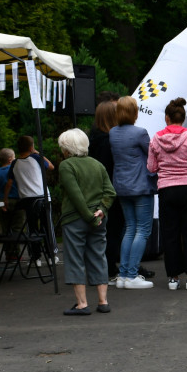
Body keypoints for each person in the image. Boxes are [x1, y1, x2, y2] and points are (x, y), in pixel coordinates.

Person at [57, 129, 116, 316]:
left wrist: (89, 216)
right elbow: (110, 192)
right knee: (98, 256)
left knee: (75, 258)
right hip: (99, 218)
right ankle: (103, 301)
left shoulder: (66, 165)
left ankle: (82, 304)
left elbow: (75, 196)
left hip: (75, 219)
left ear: (67, 148)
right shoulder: (97, 164)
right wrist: (101, 210)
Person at [147, 97, 187, 291]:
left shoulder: (156, 139)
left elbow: (151, 167)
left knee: (170, 233)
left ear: (167, 118)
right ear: (183, 117)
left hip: (166, 189)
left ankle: (173, 278)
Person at [109, 96, 157, 289]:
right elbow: (152, 154)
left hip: (121, 186)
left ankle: (123, 275)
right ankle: (132, 275)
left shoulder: (112, 133)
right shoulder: (140, 133)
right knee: (143, 230)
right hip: (140, 185)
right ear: (134, 112)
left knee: (130, 228)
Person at [3, 134, 55, 266]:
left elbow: (9, 183)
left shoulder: (14, 163)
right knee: (47, 227)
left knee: (32, 229)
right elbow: (51, 167)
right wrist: (38, 153)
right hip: (43, 197)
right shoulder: (36, 158)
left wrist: (5, 199)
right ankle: (51, 256)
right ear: (32, 147)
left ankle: (35, 257)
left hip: (27, 200)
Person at [89, 100, 124, 282]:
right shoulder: (106, 141)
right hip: (110, 190)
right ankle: (110, 267)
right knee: (113, 230)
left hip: (98, 190)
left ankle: (107, 265)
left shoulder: (94, 139)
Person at [0, 148, 21, 258]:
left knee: (5, 228)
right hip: (17, 201)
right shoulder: (15, 169)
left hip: (2, 203)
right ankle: (16, 253)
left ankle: (8, 253)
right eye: (14, 157)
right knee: (17, 227)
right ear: (10, 159)